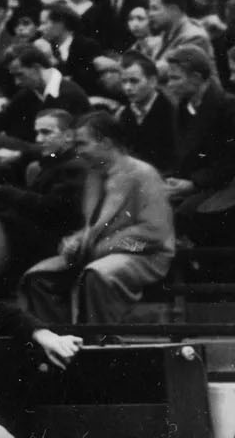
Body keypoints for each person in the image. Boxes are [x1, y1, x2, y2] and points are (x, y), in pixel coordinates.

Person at [21, 109, 174, 325]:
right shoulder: (93, 175)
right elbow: (95, 225)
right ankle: (59, 341)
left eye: (83, 144)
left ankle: (100, 343)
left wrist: (103, 246)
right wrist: (78, 240)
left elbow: (154, 232)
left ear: (106, 143)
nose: (77, 151)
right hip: (98, 250)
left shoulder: (143, 174)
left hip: (144, 252)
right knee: (37, 277)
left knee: (96, 274)